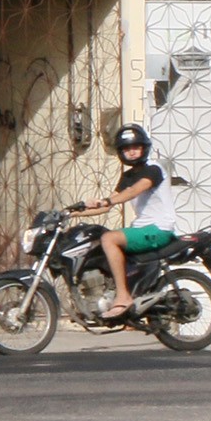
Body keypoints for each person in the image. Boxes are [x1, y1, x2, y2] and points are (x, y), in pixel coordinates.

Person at [72, 123, 177, 319]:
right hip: (142, 229)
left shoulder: (154, 169)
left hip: (159, 229)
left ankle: (123, 297)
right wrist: (73, 213)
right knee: (96, 243)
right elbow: (107, 205)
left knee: (109, 239)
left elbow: (133, 191)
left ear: (144, 147)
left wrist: (108, 200)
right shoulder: (128, 176)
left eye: (135, 147)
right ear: (121, 152)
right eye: (127, 148)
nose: (132, 152)